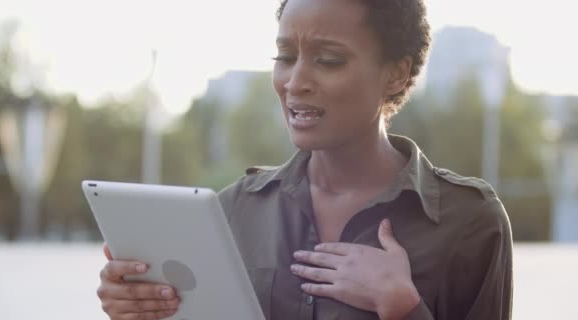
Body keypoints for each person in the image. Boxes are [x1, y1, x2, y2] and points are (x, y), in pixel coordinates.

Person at [96, 0, 513, 319]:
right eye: (285, 57)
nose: (295, 82)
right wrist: (140, 309)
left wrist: (402, 307)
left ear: (396, 74)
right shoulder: (232, 210)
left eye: (328, 60)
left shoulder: (470, 222)